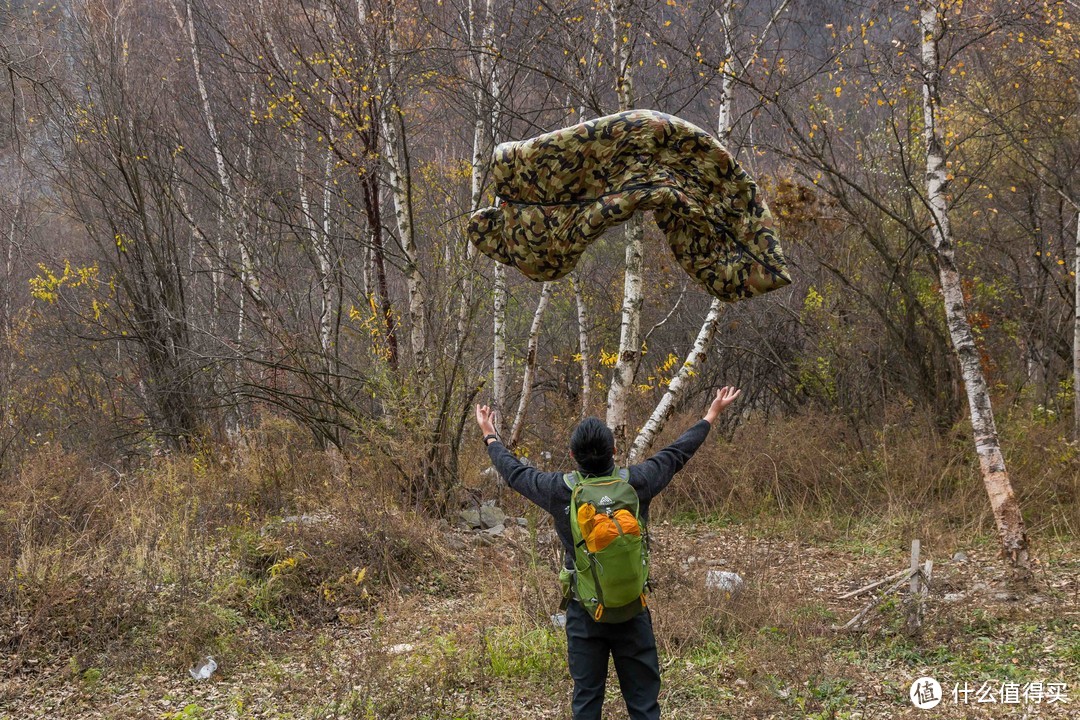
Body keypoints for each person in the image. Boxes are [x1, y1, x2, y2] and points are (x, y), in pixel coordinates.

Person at [474, 386, 742, 720]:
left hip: (585, 613)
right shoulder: (637, 482)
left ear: (573, 457)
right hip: (633, 610)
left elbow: (515, 473)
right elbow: (676, 455)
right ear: (614, 450)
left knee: (587, 701)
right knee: (644, 704)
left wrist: (490, 435)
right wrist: (711, 414)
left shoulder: (560, 491)